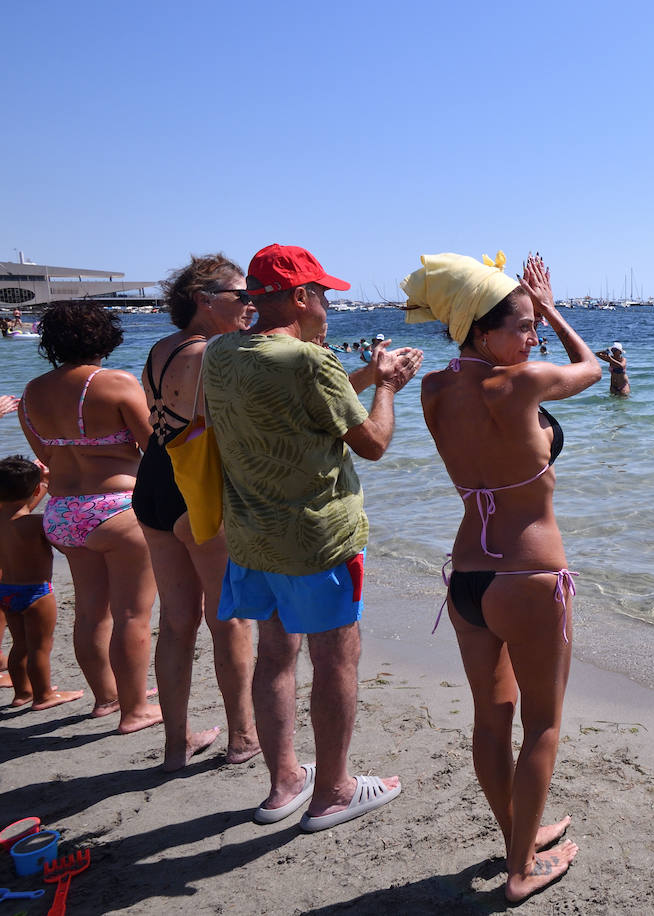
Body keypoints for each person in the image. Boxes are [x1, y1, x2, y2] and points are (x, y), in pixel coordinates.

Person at [203, 244, 422, 831]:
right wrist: (388, 388)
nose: (327, 305)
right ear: (300, 298)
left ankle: (284, 782)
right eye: (322, 294)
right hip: (317, 541)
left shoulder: (220, 351)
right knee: (336, 659)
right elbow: (372, 442)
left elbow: (298, 404)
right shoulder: (308, 360)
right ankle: (334, 791)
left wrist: (363, 375)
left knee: (275, 655)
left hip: (251, 536)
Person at [408, 250, 599, 902]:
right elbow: (594, 369)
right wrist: (553, 306)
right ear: (480, 332)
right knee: (542, 724)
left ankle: (519, 832)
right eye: (522, 326)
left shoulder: (434, 390)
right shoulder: (524, 383)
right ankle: (521, 871)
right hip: (528, 575)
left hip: (466, 579)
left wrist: (527, 313)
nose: (533, 337)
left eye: (535, 326)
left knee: (492, 720)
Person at [134, 255, 260, 771]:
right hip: (197, 487)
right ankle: (243, 737)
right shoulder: (217, 351)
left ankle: (175, 746)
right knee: (227, 617)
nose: (250, 305)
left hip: (155, 483)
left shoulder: (160, 349)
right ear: (205, 301)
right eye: (241, 296)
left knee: (177, 619)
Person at [19, 302, 161, 731]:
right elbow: (153, 448)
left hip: (62, 511)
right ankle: (135, 711)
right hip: (117, 509)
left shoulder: (31, 392)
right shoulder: (115, 382)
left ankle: (107, 698)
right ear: (106, 336)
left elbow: (45, 455)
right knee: (133, 614)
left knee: (91, 613)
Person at [0, 455, 84, 710]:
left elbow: (18, 509)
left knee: (20, 645)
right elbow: (65, 546)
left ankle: (22, 693)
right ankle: (44, 695)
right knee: (40, 648)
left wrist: (42, 485)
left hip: (6, 592)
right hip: (36, 592)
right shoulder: (37, 524)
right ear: (36, 490)